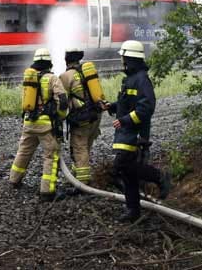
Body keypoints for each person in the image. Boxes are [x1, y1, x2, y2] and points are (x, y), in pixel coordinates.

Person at [103, 40, 171, 222]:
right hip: (126, 132)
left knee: (121, 166)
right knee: (127, 172)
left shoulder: (141, 79)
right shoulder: (132, 78)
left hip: (134, 133)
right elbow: (128, 103)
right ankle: (133, 210)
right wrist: (112, 106)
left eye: (124, 57)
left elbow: (146, 107)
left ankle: (159, 177)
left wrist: (125, 120)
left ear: (130, 59)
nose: (122, 60)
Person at [9, 48, 68, 202]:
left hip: (29, 123)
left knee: (24, 152)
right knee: (51, 155)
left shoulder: (30, 79)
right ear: (49, 63)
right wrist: (61, 117)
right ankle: (47, 192)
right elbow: (62, 100)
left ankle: (14, 180)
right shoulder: (52, 79)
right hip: (45, 126)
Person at [59, 48, 102, 185]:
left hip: (81, 118)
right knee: (85, 146)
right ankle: (78, 172)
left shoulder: (66, 76)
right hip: (95, 115)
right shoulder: (87, 72)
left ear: (67, 61)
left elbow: (62, 100)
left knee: (79, 148)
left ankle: (82, 183)